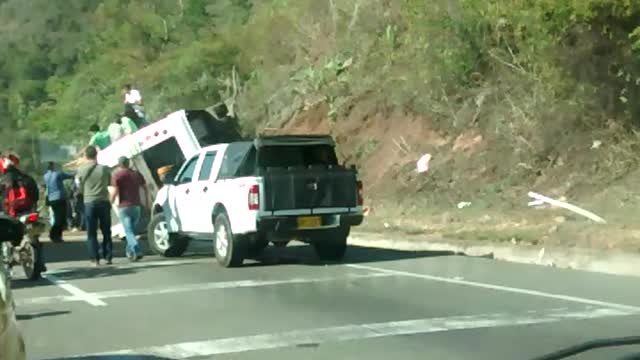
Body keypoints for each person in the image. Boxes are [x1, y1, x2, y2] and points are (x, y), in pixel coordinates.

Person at [1, 161, 46, 273]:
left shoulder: (3, 180)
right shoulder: (28, 179)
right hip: (29, 212)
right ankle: (40, 262)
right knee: (35, 236)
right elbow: (35, 196)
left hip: (10, 214)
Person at [76, 146, 112, 266]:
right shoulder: (104, 169)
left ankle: (94, 259)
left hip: (89, 202)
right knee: (106, 231)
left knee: (91, 233)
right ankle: (108, 256)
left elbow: (78, 186)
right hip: (103, 201)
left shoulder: (81, 170)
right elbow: (109, 182)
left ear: (86, 156)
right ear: (96, 155)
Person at [111, 156, 147, 261]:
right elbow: (145, 188)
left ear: (119, 165)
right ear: (128, 163)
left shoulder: (117, 175)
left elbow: (115, 191)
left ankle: (136, 249)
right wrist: (147, 201)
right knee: (132, 231)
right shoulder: (136, 174)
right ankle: (130, 253)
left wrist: (110, 202)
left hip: (124, 206)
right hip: (136, 206)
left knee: (129, 231)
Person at [43, 162, 75, 242]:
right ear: (53, 166)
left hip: (51, 199)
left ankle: (56, 235)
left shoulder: (45, 176)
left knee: (57, 217)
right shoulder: (58, 174)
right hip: (60, 198)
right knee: (60, 218)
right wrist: (76, 172)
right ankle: (55, 235)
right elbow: (69, 175)